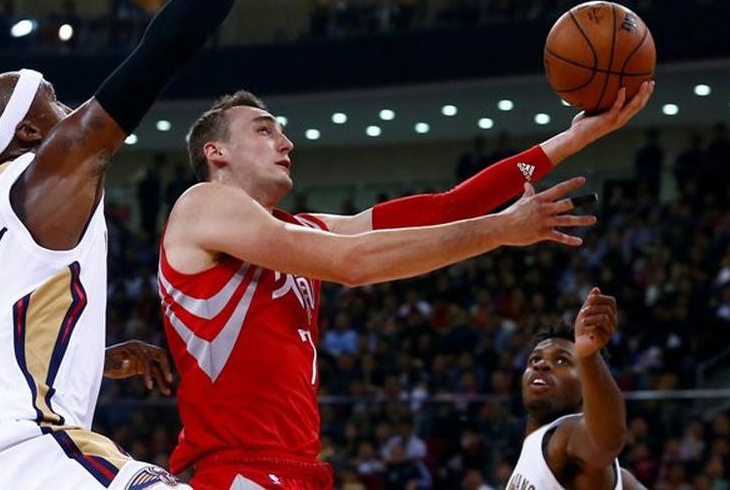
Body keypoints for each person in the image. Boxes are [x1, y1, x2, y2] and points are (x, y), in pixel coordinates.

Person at [0, 0, 310, 490]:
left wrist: (91, 359)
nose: (70, 108)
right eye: (53, 102)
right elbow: (161, 50)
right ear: (30, 132)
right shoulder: (49, 169)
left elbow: (4, 344)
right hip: (35, 453)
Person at [159, 83, 653, 488]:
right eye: (265, 131)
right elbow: (354, 264)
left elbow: (449, 208)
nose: (286, 143)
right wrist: (502, 230)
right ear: (215, 151)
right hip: (236, 468)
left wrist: (574, 140)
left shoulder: (303, 229)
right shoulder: (204, 203)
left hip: (296, 466)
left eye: (283, 132)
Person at [507, 289, 645, 490]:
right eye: (535, 359)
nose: (541, 365)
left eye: (562, 360)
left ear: (586, 386)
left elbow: (606, 442)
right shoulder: (624, 480)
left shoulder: (567, 437)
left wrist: (587, 356)